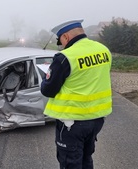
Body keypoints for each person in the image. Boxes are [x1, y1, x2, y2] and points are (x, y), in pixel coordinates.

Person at [41, 19, 112, 169]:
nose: (62, 46)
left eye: (61, 41)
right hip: (97, 119)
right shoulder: (104, 50)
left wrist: (48, 74)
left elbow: (48, 90)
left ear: (66, 36)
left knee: (70, 163)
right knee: (86, 159)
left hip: (71, 123)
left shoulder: (65, 57)